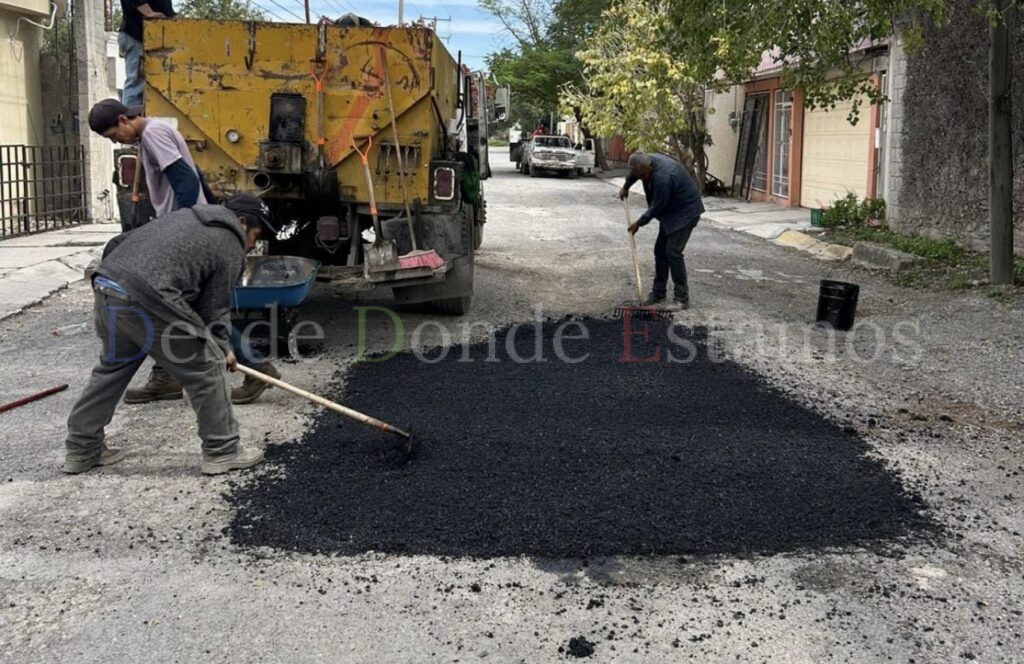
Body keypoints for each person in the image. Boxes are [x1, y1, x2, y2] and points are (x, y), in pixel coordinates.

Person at [88, 99, 280, 404]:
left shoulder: (153, 135)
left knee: (182, 307)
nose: (116, 141)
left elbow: (186, 180)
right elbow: (195, 175)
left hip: (185, 231)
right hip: (188, 224)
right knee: (173, 306)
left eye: (113, 135)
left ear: (124, 119)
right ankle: (167, 376)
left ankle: (255, 367)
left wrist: (184, 225)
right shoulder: (156, 133)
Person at [64, 195, 270, 476]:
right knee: (206, 370)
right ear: (242, 222)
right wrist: (221, 347)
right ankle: (223, 451)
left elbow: (117, 243)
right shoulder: (229, 242)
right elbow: (214, 306)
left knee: (112, 369)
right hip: (146, 299)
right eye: (256, 236)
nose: (253, 245)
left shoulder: (184, 216)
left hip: (107, 286)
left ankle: (82, 449)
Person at [619, 152, 705, 310]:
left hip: (685, 212)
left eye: (644, 175)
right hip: (671, 213)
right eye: (640, 175)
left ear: (649, 168)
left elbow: (657, 207)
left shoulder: (663, 177)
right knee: (660, 251)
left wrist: (639, 223)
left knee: (673, 252)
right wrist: (625, 188)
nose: (643, 178)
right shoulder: (642, 165)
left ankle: (682, 298)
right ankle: (658, 292)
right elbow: (633, 175)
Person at [119, 1, 176, 107]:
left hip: (152, 36)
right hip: (137, 34)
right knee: (136, 83)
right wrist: (149, 13)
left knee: (148, 84)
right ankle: (130, 119)